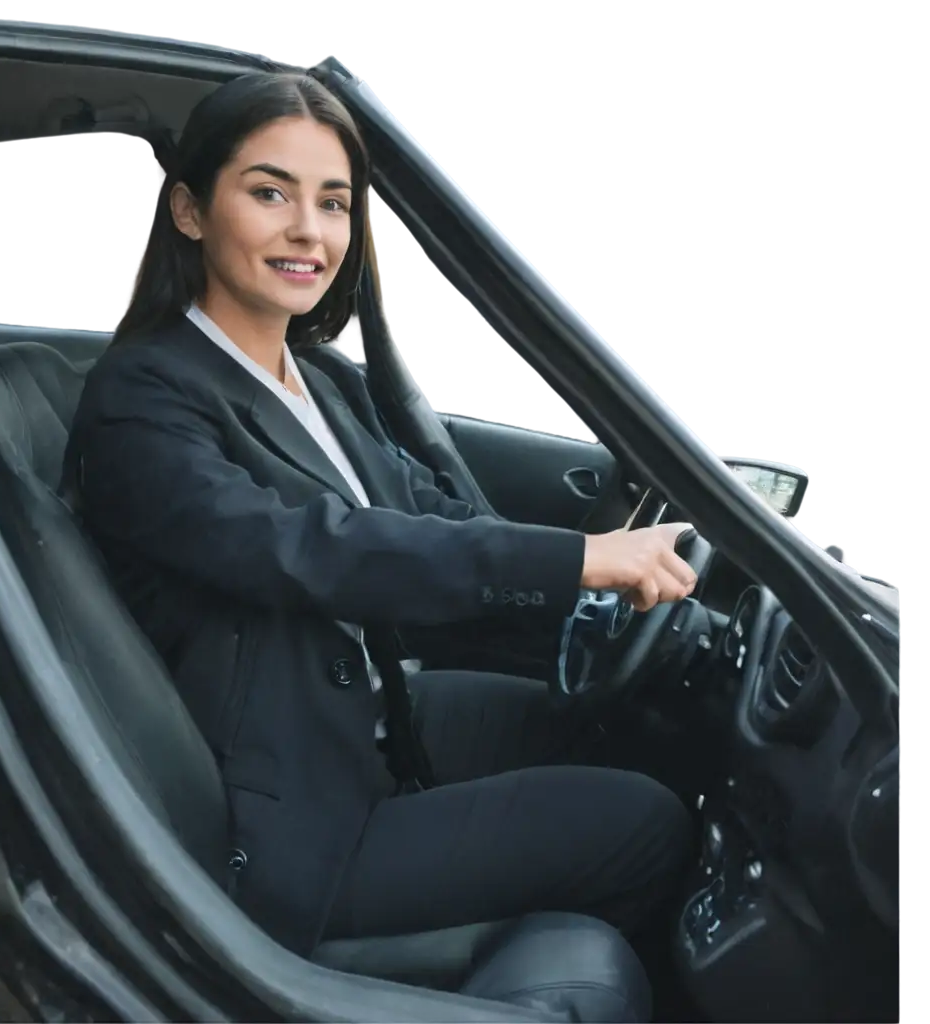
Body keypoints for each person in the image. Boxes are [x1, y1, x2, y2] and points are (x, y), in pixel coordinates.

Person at [62, 70, 699, 963]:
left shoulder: (316, 379)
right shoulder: (141, 402)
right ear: (190, 211)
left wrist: (597, 590)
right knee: (644, 825)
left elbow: (420, 510)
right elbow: (310, 550)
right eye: (269, 193)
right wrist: (576, 560)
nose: (307, 232)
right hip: (285, 813)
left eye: (333, 203)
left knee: (610, 727)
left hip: (362, 724)